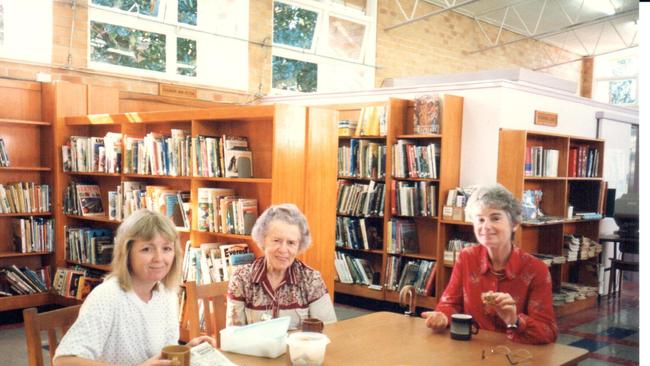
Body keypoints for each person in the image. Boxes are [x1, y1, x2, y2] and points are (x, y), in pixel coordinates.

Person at [54, 209, 214, 366]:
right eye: (146, 249)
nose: (159, 258)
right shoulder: (106, 297)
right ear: (127, 253)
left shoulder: (167, 294)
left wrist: (186, 351)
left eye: (166, 248)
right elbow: (63, 361)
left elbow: (159, 356)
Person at [422, 184, 557, 344]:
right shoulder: (467, 258)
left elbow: (548, 332)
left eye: (495, 218)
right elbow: (451, 303)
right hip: (472, 351)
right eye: (480, 219)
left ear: (514, 224)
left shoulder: (536, 269)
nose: (485, 227)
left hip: (516, 354)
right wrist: (443, 315)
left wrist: (514, 320)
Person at [226, 203, 337, 329]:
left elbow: (328, 331)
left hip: (298, 348)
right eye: (276, 240)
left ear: (299, 246)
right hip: (254, 349)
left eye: (291, 243)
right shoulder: (241, 278)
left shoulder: (311, 280)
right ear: (263, 240)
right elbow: (234, 334)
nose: (283, 250)